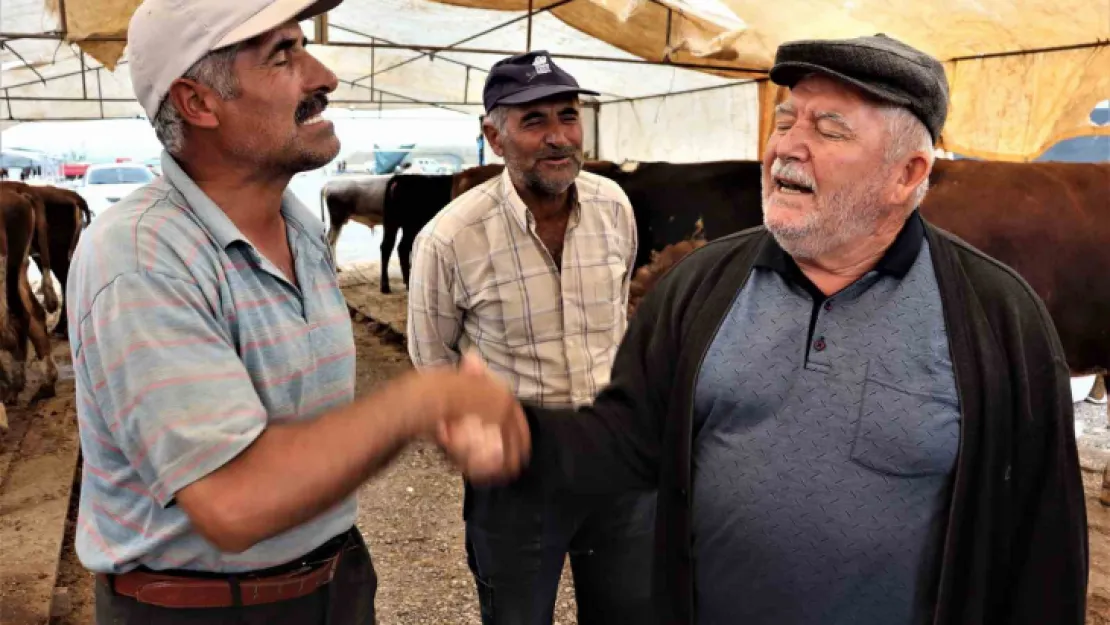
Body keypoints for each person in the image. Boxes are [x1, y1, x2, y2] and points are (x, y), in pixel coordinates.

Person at [510, 34, 1088, 625]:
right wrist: (521, 437)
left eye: (829, 130)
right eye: (785, 120)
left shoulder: (997, 317)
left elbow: (1046, 546)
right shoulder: (699, 286)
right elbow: (628, 440)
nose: (787, 146)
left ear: (906, 172)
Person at [68, 1, 528, 623]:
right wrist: (420, 402)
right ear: (198, 103)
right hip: (203, 610)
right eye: (283, 55)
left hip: (333, 582)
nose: (324, 77)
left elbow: (308, 430)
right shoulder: (141, 255)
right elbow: (232, 502)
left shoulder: (300, 228)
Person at [407, 51, 655, 625]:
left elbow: (617, 319)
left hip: (615, 452)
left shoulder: (613, 206)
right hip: (518, 463)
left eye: (567, 116)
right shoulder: (451, 237)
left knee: (632, 609)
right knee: (516, 614)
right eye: (533, 121)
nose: (558, 137)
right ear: (494, 136)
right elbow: (432, 362)